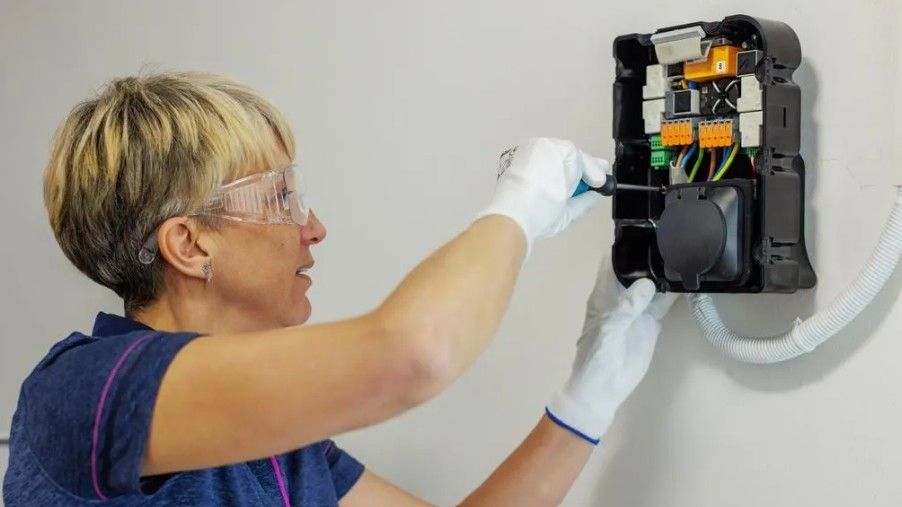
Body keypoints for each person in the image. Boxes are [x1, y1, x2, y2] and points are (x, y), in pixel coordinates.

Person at [2, 72, 675, 506]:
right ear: (190, 244)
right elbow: (411, 354)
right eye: (281, 198)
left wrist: (586, 401)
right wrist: (518, 209)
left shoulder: (278, 444)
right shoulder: (80, 391)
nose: (313, 227)